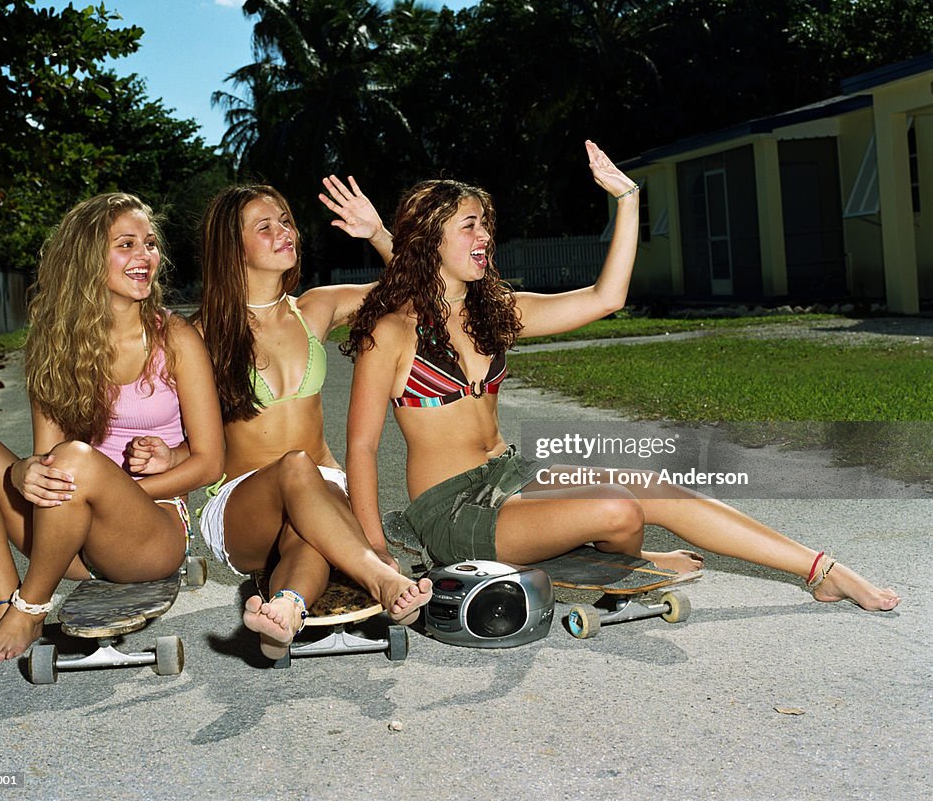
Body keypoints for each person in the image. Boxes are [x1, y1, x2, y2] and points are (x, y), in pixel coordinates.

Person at [343, 141, 901, 612]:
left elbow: (607, 297)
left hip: (512, 476)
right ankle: (622, 558)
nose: (484, 235)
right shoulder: (392, 333)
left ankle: (820, 569)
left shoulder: (496, 311)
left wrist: (628, 200)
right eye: (468, 226)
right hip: (454, 511)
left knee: (654, 488)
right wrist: (375, 554)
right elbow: (363, 450)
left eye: (486, 224)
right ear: (431, 237)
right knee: (618, 509)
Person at [0, 193, 225, 663]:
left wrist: (116, 494)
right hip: (67, 540)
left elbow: (211, 462)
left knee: (76, 461)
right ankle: (8, 600)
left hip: (149, 537)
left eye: (150, 244)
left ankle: (30, 608)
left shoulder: (175, 340)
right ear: (87, 259)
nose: (145, 256)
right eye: (126, 244)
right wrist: (21, 472)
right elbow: (46, 458)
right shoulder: (54, 345)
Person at [194, 177, 431, 659]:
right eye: (265, 226)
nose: (285, 231)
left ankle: (282, 613)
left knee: (308, 534)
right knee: (296, 466)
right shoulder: (200, 335)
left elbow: (418, 292)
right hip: (243, 504)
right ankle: (383, 579)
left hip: (320, 488)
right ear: (231, 247)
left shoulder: (314, 309)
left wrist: (379, 233)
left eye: (286, 221)